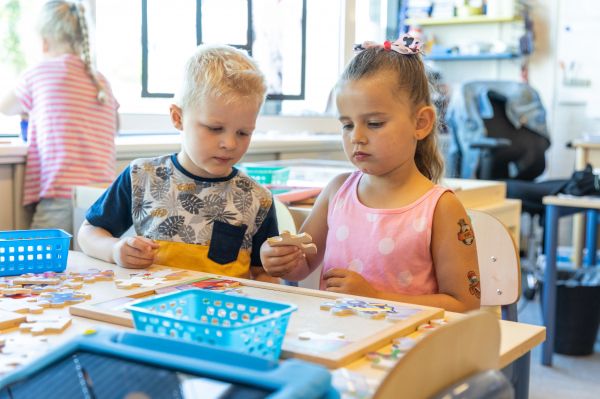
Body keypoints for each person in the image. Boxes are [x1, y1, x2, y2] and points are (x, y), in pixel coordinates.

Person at [260, 35, 480, 312]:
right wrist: (280, 260)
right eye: (347, 125)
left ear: (421, 123)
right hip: (339, 343)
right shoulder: (336, 191)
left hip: (410, 350)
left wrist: (374, 296)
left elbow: (464, 303)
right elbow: (301, 267)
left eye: (374, 123)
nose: (357, 137)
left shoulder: (441, 208)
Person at [78, 44, 278, 283]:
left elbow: (263, 274)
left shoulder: (258, 198)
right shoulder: (142, 176)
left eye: (244, 133)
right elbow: (88, 232)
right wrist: (114, 250)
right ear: (178, 118)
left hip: (224, 315)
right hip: (155, 312)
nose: (230, 143)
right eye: (215, 129)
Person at [0, 1, 119, 234]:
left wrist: (30, 111)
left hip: (62, 193)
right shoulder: (100, 80)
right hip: (104, 195)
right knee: (93, 265)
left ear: (44, 41)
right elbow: (114, 124)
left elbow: (5, 107)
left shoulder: (39, 73)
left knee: (40, 266)